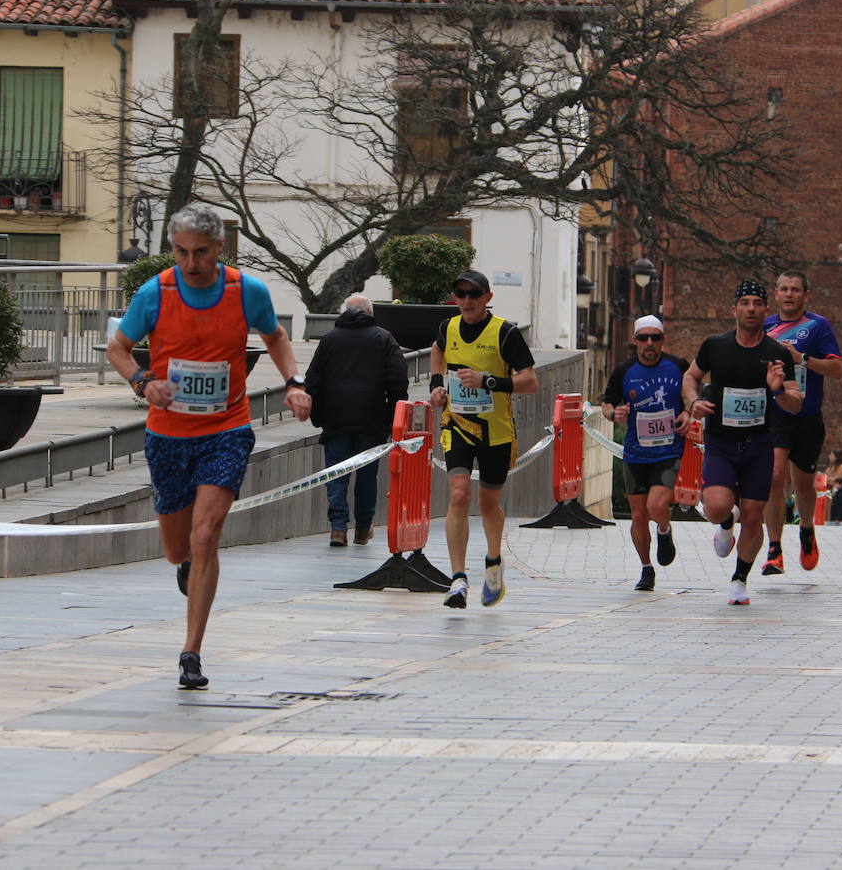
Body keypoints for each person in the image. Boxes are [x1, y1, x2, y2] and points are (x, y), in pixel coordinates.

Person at [107, 203, 311, 690]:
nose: (191, 263)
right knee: (179, 547)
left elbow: (277, 337)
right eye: (181, 252)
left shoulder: (247, 292)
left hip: (227, 429)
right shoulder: (155, 293)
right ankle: (186, 568)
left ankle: (191, 653)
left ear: (220, 248)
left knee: (206, 537)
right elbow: (118, 347)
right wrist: (142, 381)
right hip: (168, 434)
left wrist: (294, 382)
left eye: (200, 252)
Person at [681, 280, 802, 606]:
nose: (751, 308)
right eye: (745, 303)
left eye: (757, 303)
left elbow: (795, 403)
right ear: (734, 309)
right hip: (721, 441)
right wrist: (693, 403)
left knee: (752, 516)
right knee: (718, 505)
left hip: (758, 444)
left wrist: (777, 390)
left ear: (766, 309)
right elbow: (691, 377)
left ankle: (739, 579)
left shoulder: (776, 354)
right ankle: (723, 525)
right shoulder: (715, 346)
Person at [429, 270, 538, 607]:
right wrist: (436, 384)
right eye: (460, 294)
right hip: (457, 425)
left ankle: (493, 561)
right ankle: (458, 579)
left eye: (473, 295)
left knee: (488, 504)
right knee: (459, 495)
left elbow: (530, 380)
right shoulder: (448, 328)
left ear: (487, 298)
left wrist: (489, 382)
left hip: (496, 431)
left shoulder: (505, 333)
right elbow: (437, 350)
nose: (466, 301)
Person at [306, 294, 408, 547]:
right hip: (371, 419)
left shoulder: (330, 339)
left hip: (335, 417)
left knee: (336, 473)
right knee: (366, 475)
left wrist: (318, 415)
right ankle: (363, 528)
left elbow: (313, 380)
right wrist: (393, 416)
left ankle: (338, 528)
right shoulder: (384, 338)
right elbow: (397, 381)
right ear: (370, 312)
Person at [760, 271, 842, 574]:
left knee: (804, 485)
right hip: (774, 415)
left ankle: (806, 529)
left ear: (806, 295)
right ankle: (774, 549)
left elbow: (836, 369)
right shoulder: (764, 326)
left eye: (795, 290)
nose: (789, 294)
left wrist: (802, 359)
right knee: (774, 475)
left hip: (806, 418)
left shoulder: (818, 326)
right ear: (776, 294)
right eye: (783, 289)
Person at [601, 315, 691, 591]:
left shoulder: (678, 367)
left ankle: (664, 530)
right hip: (636, 454)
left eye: (655, 337)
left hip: (668, 450)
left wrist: (687, 412)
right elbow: (606, 404)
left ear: (663, 340)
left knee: (656, 506)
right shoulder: (623, 371)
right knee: (639, 515)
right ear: (635, 341)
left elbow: (693, 395)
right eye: (643, 338)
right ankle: (646, 569)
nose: (649, 343)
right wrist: (613, 414)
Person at [825, 450, 842, 523]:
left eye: (831, 455)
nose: (829, 456)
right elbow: (824, 479)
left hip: (838, 493)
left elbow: (840, 480)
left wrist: (831, 480)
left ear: (836, 457)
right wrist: (831, 480)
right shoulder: (829, 468)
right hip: (828, 492)